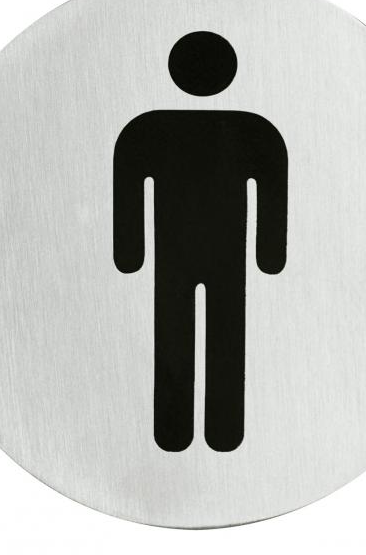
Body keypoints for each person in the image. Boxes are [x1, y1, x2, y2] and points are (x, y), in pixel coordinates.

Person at [114, 31, 288, 452]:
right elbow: (273, 193)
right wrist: (269, 256)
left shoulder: (146, 129)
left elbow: (128, 191)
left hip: (175, 257)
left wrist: (130, 254)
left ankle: (173, 433)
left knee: (173, 335)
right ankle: (223, 432)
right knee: (226, 336)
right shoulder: (255, 130)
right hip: (226, 257)